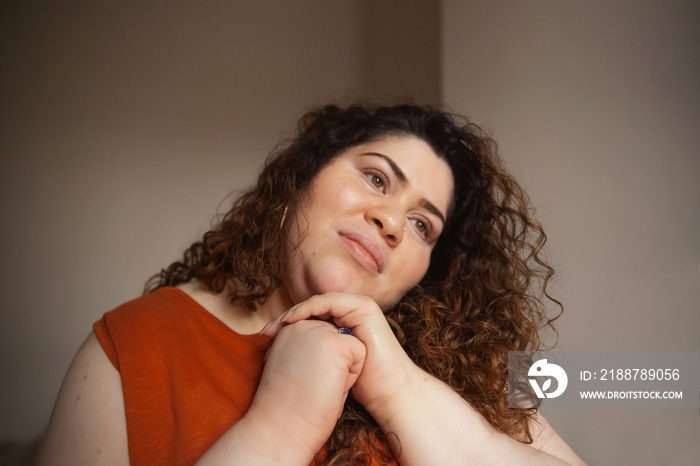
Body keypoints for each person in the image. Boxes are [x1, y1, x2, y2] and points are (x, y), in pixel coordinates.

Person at [37, 104, 585, 465]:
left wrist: (397, 387)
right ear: (303, 179)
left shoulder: (466, 372)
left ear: (425, 276)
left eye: (422, 226)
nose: (392, 223)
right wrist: (281, 425)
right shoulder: (133, 345)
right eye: (376, 178)